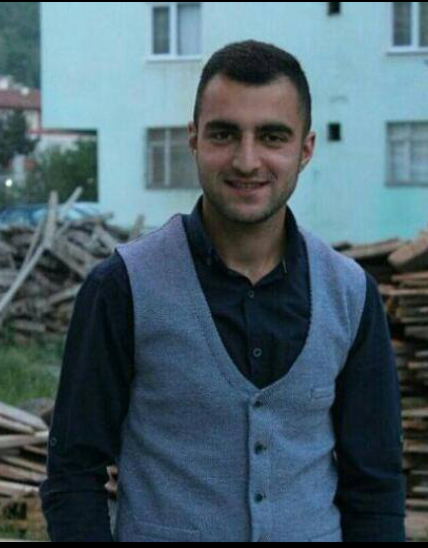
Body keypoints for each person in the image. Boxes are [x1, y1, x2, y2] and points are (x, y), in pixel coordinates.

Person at [40, 40, 406, 542]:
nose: (247, 160)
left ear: (305, 149)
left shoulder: (350, 295)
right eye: (224, 134)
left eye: (272, 136)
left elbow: (376, 488)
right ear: (193, 139)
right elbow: (73, 475)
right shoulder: (122, 288)